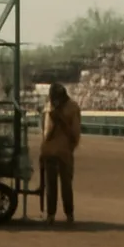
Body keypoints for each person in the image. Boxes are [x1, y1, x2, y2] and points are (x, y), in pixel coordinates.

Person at [40, 82, 81, 226]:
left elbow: (45, 133)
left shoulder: (48, 107)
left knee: (52, 186)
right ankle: (68, 214)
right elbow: (75, 134)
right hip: (63, 152)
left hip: (51, 151)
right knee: (65, 185)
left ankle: (51, 215)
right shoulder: (72, 107)